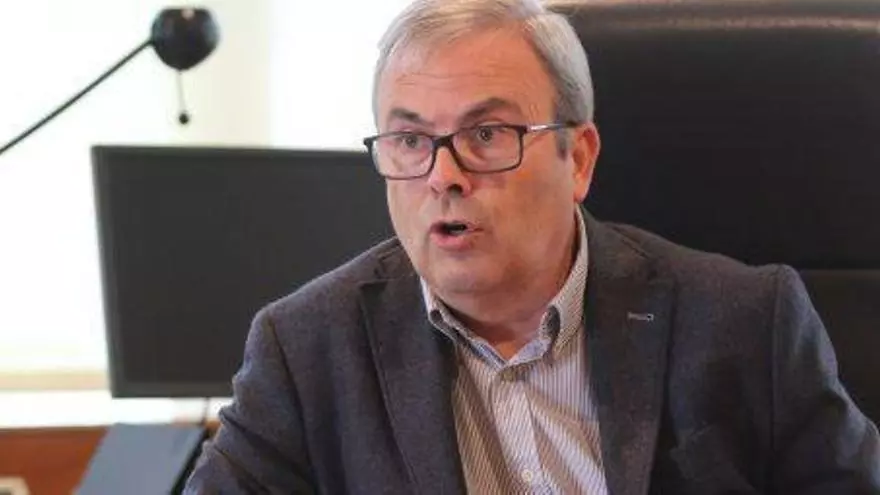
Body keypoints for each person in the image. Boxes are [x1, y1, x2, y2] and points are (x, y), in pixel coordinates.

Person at [185, 0, 880, 493]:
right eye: (410, 139)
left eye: (487, 135)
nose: (443, 175)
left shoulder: (746, 322)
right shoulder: (307, 350)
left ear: (578, 159)